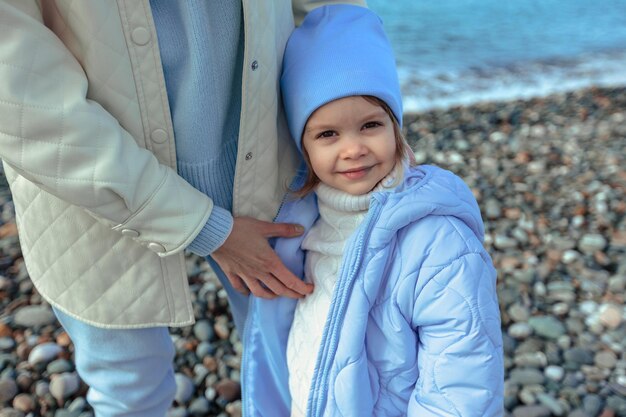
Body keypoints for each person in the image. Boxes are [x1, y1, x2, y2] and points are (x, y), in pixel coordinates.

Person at [0, 1, 363, 416]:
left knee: (302, 359)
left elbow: (329, 11)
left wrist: (362, 114)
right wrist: (209, 230)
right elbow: (21, 99)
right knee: (130, 392)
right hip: (91, 190)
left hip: (268, 153)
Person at [239, 5, 504, 416]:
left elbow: (462, 383)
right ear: (302, 146)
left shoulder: (437, 241)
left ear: (395, 125)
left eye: (370, 125)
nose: (353, 148)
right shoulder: (300, 227)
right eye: (328, 133)